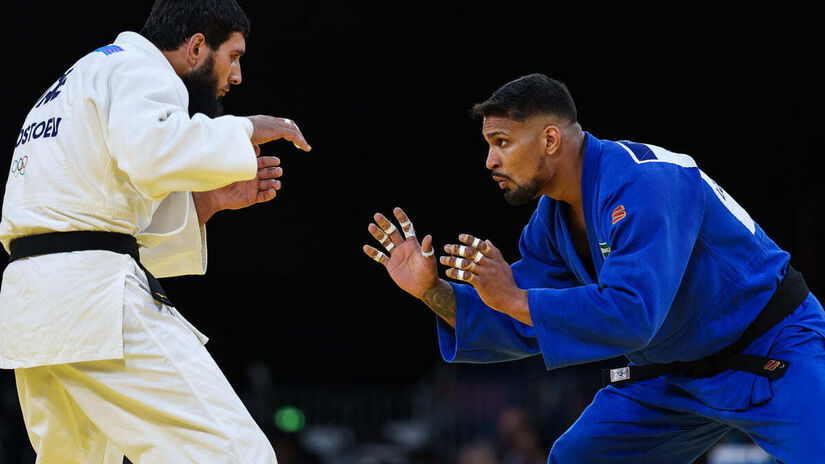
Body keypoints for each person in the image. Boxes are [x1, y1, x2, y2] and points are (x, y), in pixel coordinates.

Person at [363, 73, 825, 462]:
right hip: (670, 375)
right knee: (576, 457)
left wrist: (515, 297)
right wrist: (432, 292)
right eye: (488, 144)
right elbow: (522, 320)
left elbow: (632, 314)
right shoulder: (549, 225)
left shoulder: (647, 181)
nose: (490, 160)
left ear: (550, 139)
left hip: (772, 350)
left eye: (501, 142)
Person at [0, 0, 311, 462]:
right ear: (197, 47)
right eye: (235, 56)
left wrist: (205, 202)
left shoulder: (80, 79)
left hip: (36, 309)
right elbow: (152, 155)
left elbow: (92, 217)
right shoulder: (139, 70)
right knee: (236, 453)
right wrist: (245, 129)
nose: (237, 77)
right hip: (91, 300)